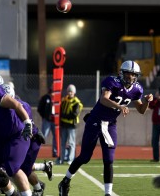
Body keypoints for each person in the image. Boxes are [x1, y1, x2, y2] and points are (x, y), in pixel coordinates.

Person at [58, 60, 153, 196]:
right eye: (128, 74)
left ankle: (107, 193)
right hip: (95, 121)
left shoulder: (137, 89)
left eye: (133, 75)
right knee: (85, 157)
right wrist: (119, 106)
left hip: (110, 124)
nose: (130, 77)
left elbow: (141, 110)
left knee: (109, 159)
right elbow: (103, 99)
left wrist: (147, 102)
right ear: (122, 73)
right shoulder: (112, 81)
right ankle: (65, 181)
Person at [58, 84, 83, 165]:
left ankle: (70, 159)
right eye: (69, 91)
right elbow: (60, 111)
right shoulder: (64, 100)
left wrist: (64, 116)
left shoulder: (76, 102)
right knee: (63, 143)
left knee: (71, 143)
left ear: (74, 92)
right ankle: (61, 159)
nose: (70, 93)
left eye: (71, 91)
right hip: (64, 124)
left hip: (72, 125)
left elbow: (74, 114)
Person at [38, 87, 57, 157]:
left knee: (56, 137)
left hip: (55, 121)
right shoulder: (45, 98)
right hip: (47, 120)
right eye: (52, 93)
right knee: (43, 135)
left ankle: (55, 152)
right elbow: (39, 108)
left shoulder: (58, 98)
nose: (53, 94)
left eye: (54, 93)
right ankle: (36, 150)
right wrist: (44, 116)